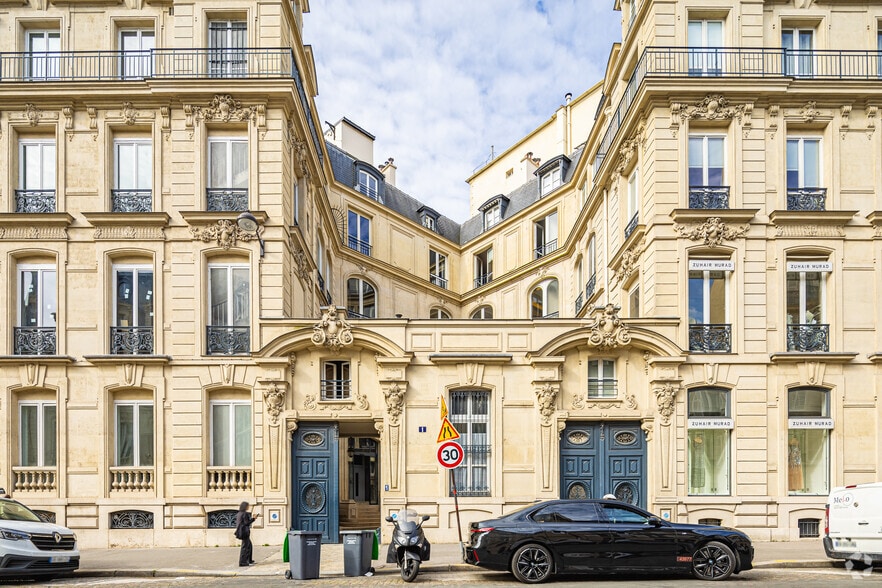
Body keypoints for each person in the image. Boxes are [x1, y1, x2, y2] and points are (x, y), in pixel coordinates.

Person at [235, 501, 259, 567]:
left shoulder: (239, 513)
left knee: (249, 546)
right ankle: (242, 562)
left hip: (241, 531)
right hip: (244, 532)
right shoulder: (244, 514)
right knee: (245, 547)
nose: (248, 507)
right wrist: (253, 519)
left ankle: (249, 560)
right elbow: (247, 523)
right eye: (248, 506)